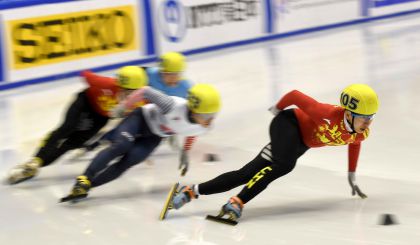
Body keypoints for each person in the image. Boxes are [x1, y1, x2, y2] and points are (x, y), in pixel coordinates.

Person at [165, 84, 379, 223]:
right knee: (285, 165)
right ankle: (237, 202)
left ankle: (190, 191)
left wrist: (351, 173)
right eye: (364, 117)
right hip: (287, 124)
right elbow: (295, 95)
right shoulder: (326, 114)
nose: (368, 122)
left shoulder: (361, 133)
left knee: (245, 173)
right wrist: (277, 108)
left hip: (299, 144)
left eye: (371, 117)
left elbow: (354, 143)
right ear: (349, 114)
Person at [60, 83, 221, 202]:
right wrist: (123, 107)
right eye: (207, 116)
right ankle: (84, 177)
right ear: (193, 109)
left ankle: (87, 186)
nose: (210, 120)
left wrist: (185, 151)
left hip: (154, 135)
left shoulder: (204, 126)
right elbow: (145, 91)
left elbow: (191, 132)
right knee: (121, 146)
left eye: (213, 115)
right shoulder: (171, 105)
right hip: (139, 119)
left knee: (129, 161)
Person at [6, 66, 148, 185]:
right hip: (85, 102)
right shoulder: (104, 83)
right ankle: (35, 159)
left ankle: (36, 164)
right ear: (118, 84)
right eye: (124, 90)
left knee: (75, 142)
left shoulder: (142, 101)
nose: (127, 96)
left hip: (101, 116)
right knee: (67, 128)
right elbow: (85, 74)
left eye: (133, 93)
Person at [80, 51, 193, 153]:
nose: (173, 78)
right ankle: (95, 144)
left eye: (177, 74)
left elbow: (191, 111)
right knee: (123, 125)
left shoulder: (187, 87)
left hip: (166, 114)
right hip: (146, 106)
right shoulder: (151, 73)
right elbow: (132, 74)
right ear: (161, 71)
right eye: (168, 74)